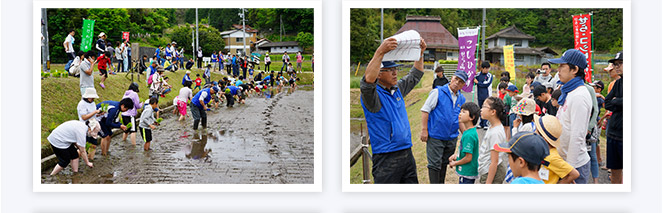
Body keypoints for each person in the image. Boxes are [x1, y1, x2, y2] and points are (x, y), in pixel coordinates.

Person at [360, 36, 426, 183]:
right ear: (378, 73)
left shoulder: (397, 89)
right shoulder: (372, 96)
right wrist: (379, 53)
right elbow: (367, 82)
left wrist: (420, 53)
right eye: (389, 70)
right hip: (386, 156)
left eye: (395, 69)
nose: (395, 73)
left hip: (406, 152)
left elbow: (415, 74)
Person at [547, 49, 592, 184]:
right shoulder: (569, 91)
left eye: (562, 66)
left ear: (574, 69)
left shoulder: (579, 96)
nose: (558, 70)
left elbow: (578, 135)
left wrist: (570, 171)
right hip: (564, 162)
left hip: (574, 165)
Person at [420, 70, 467, 184]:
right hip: (436, 136)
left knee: (444, 163)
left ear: (463, 85)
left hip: (451, 137)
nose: (457, 83)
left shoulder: (461, 99)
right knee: (434, 165)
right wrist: (424, 130)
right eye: (456, 79)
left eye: (460, 82)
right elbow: (425, 110)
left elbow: (459, 119)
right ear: (452, 78)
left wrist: (466, 134)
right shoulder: (438, 92)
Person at [533, 114, 580, 184]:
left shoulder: (552, 157)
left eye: (536, 131)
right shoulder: (545, 151)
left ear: (543, 138)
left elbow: (575, 174)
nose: (534, 133)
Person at [448, 102, 481, 184]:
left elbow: (468, 158)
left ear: (472, 117)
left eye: (463, 112)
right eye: (460, 111)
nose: (460, 114)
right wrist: (456, 156)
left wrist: (455, 163)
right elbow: (466, 153)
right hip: (467, 171)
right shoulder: (469, 132)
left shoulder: (469, 135)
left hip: (467, 172)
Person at [478, 97, 508, 184]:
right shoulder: (492, 127)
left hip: (491, 172)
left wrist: (488, 183)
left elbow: (494, 162)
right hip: (487, 169)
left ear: (493, 112)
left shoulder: (496, 133)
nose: (481, 109)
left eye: (484, 107)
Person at [604, 51, 623, 184]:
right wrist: (619, 101)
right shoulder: (617, 83)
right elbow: (607, 103)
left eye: (620, 63)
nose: (616, 67)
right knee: (614, 171)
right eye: (615, 64)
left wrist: (616, 101)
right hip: (612, 133)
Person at [77, 88, 105, 160]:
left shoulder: (92, 103)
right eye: (92, 97)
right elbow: (84, 117)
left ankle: (90, 159)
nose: (93, 99)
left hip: (93, 126)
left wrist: (100, 114)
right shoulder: (82, 104)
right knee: (84, 147)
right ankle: (75, 158)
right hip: (85, 127)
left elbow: (94, 116)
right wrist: (95, 112)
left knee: (93, 145)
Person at [475, 61, 493, 129]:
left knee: (486, 109)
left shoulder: (489, 75)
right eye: (486, 68)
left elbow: (486, 84)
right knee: (480, 109)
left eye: (488, 68)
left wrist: (478, 82)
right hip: (479, 95)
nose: (487, 70)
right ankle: (481, 123)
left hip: (486, 94)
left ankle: (486, 123)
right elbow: (473, 80)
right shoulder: (478, 74)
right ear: (482, 68)